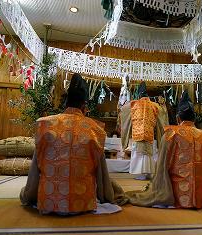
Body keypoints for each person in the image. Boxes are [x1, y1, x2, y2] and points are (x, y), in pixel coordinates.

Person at [19, 73, 126, 215]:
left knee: (23, 191)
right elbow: (101, 175)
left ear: (66, 103)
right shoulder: (95, 129)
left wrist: (30, 195)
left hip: (49, 201)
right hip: (82, 202)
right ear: (84, 106)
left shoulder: (44, 125)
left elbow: (35, 168)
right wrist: (106, 196)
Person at [127, 91, 202, 208]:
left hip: (175, 196)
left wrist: (155, 187)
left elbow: (162, 169)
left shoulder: (171, 134)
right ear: (195, 118)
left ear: (178, 118)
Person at [120, 82, 166, 180]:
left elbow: (123, 109)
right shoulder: (154, 105)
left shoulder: (134, 104)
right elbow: (163, 112)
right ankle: (148, 173)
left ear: (139, 94)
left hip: (138, 133)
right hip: (149, 133)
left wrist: (122, 105)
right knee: (149, 154)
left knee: (139, 155)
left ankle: (142, 174)